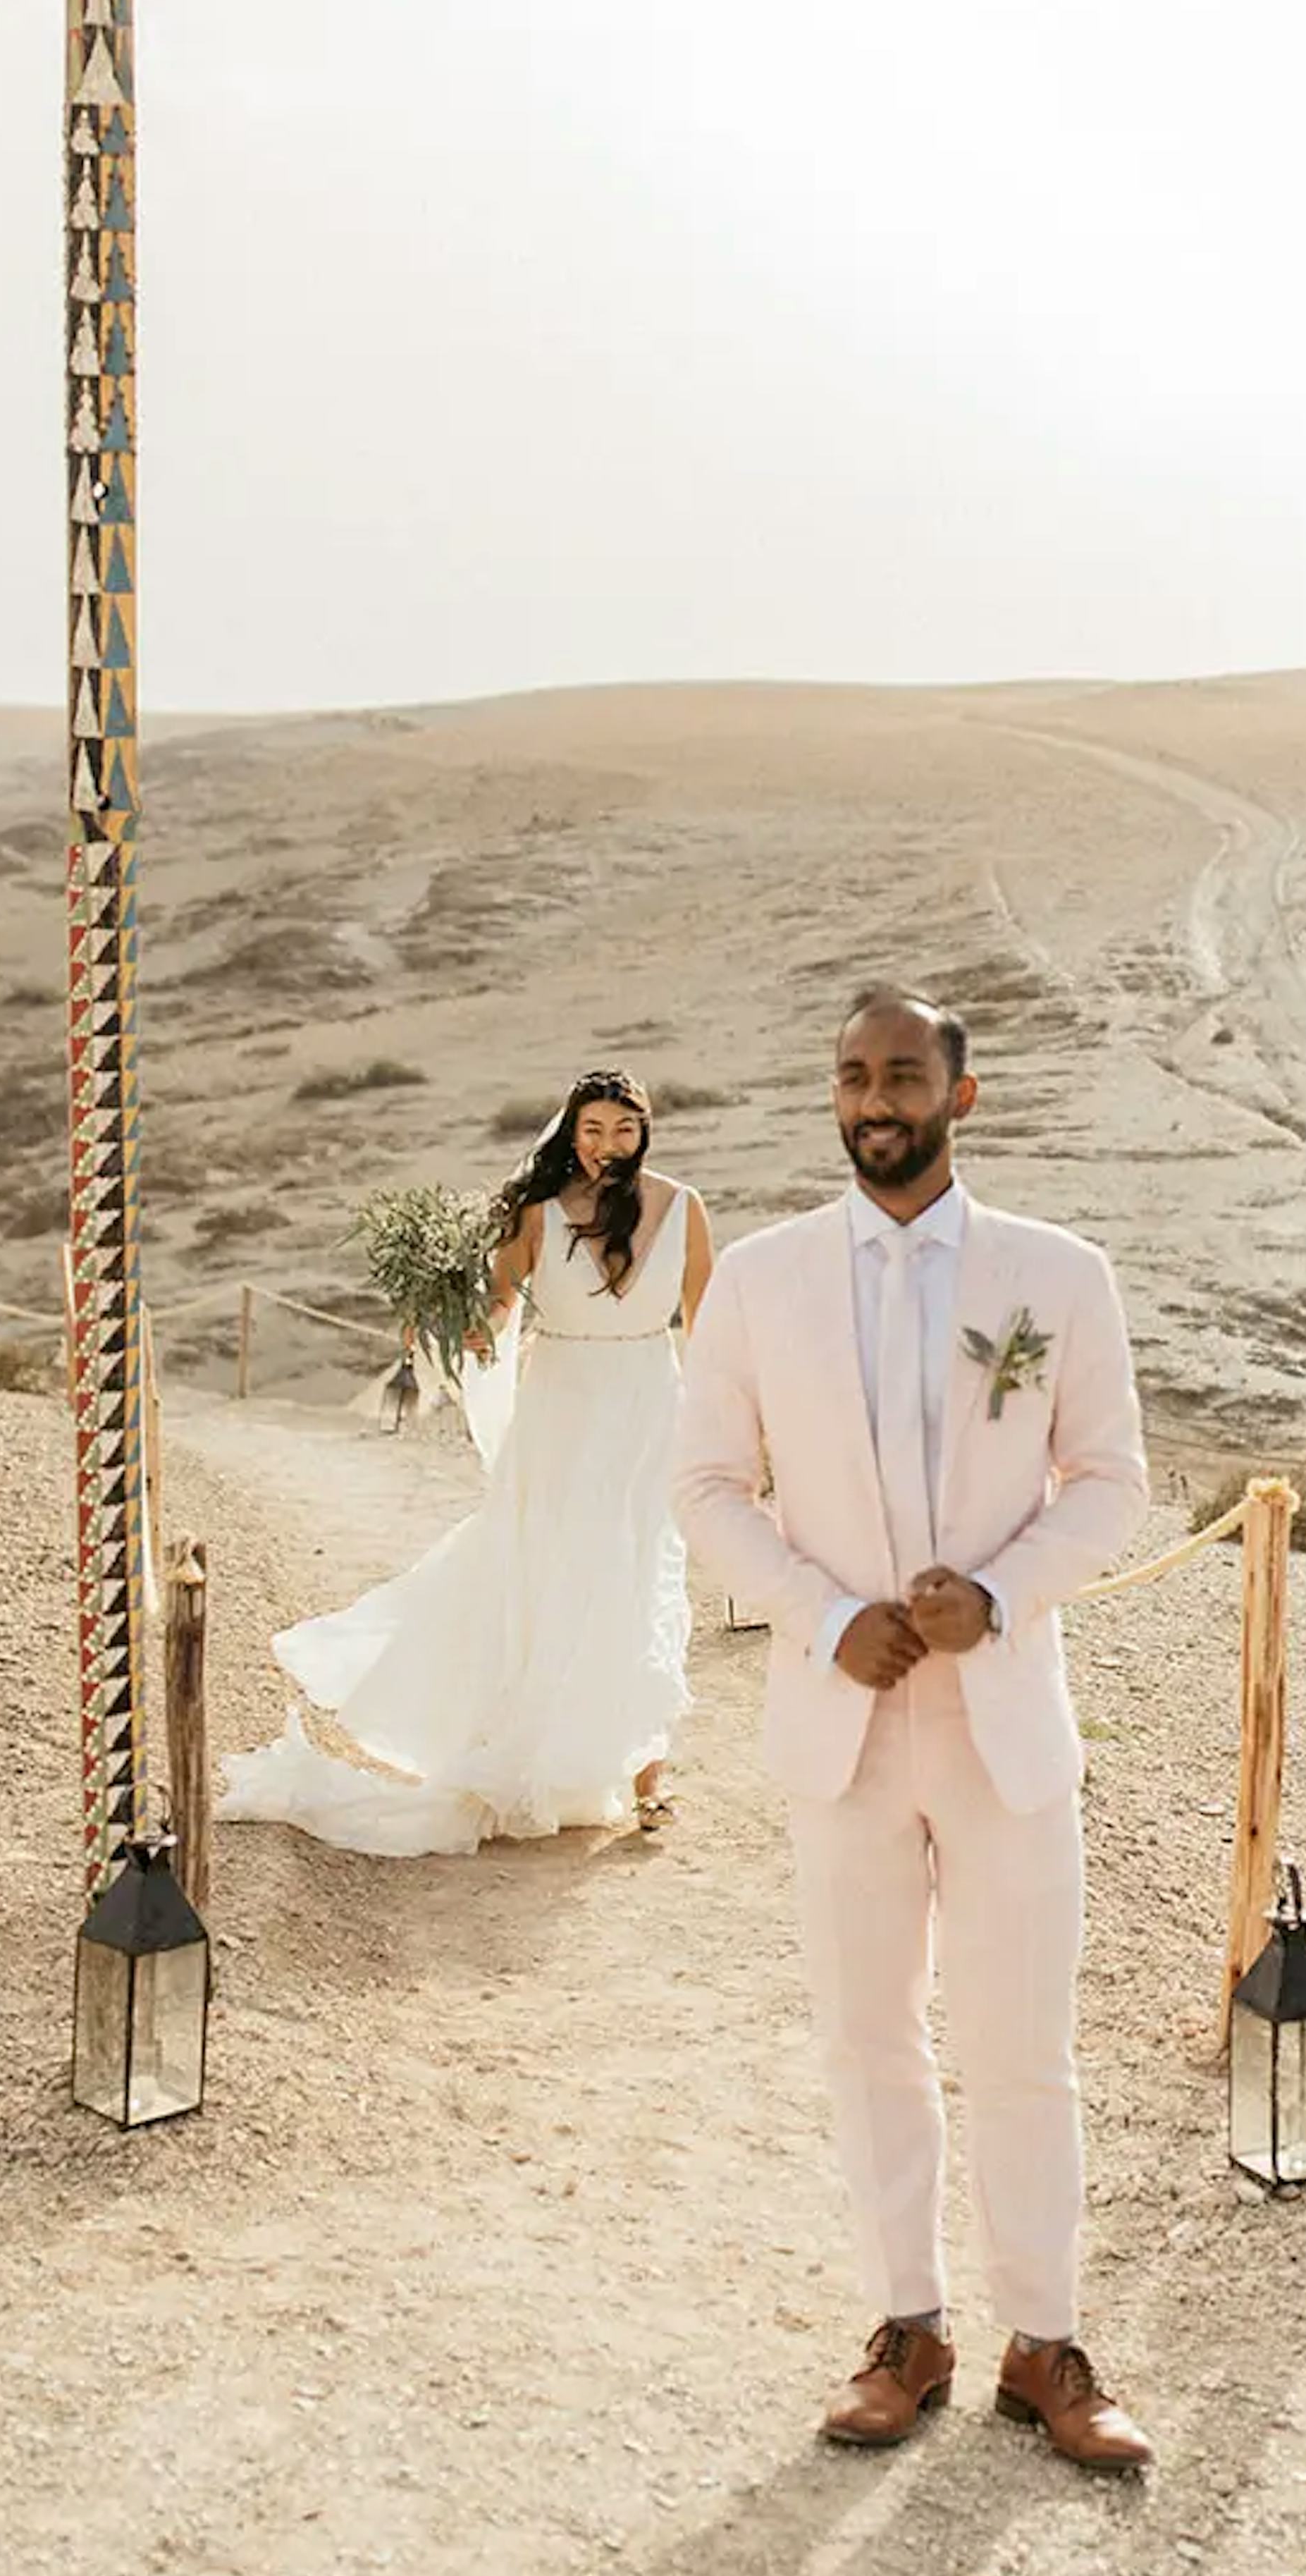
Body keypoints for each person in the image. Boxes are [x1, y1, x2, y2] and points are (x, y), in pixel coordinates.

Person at [672, 989, 1154, 2472]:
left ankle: (1048, 2342)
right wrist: (825, 1617)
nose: (874, 1096)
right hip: (843, 1725)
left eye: (902, 1073)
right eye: (852, 1074)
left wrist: (996, 1595)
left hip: (1003, 1722)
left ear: (964, 1094)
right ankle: (908, 2326)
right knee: (868, 2034)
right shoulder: (758, 1279)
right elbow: (704, 1486)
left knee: (1022, 2042)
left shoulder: (1055, 1274)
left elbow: (1113, 1479)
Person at [219, 1069, 710, 1853]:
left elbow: (707, 1326)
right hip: (563, 1408)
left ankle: (651, 1773)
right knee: (556, 1573)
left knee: (644, 1570)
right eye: (591, 1130)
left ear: (644, 1130)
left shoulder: (684, 1209)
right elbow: (498, 1315)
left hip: (651, 1403)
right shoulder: (536, 1217)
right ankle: (546, 1749)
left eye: (623, 1130)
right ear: (570, 1134)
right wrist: (458, 1324)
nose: (607, 1146)